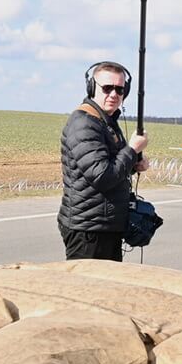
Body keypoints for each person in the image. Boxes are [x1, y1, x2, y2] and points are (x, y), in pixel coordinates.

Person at [57, 61, 148, 261]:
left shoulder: (105, 121)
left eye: (120, 89)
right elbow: (102, 176)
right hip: (89, 230)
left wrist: (133, 164)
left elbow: (110, 164)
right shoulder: (84, 123)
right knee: (87, 291)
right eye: (107, 88)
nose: (114, 94)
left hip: (104, 225)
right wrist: (132, 149)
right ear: (92, 88)